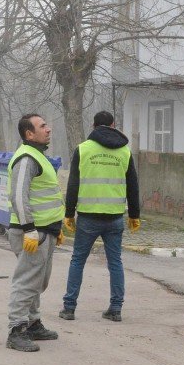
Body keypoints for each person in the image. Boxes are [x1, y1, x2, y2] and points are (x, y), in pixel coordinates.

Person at [59, 111, 140, 323]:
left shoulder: (83, 149)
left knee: (78, 260)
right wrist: (134, 214)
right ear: (113, 125)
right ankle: (115, 309)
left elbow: (73, 183)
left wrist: (69, 213)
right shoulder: (125, 151)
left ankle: (69, 308)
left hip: (88, 217)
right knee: (115, 262)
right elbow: (133, 184)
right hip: (114, 218)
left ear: (94, 126)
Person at [5, 114, 65, 352]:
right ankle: (16, 330)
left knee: (38, 280)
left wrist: (55, 228)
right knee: (27, 281)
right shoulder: (27, 158)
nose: (48, 129)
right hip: (31, 232)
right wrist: (29, 229)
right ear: (29, 134)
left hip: (44, 230)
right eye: (42, 126)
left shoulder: (38, 156)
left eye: (47, 124)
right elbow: (18, 196)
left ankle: (32, 323)